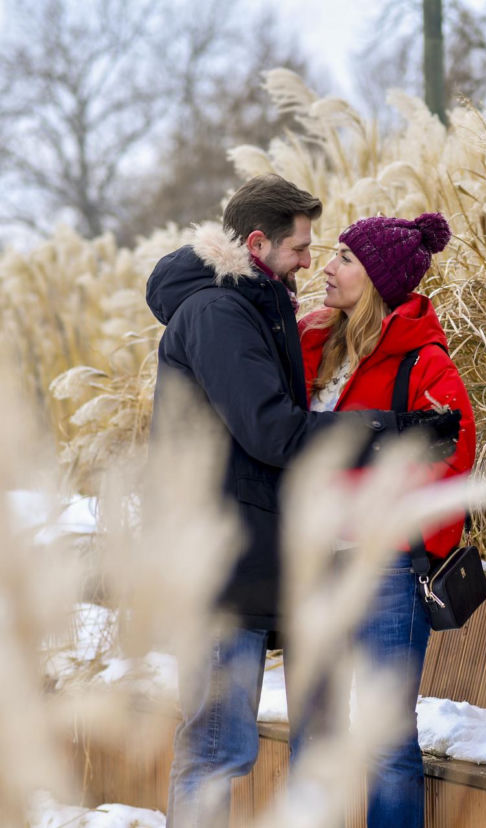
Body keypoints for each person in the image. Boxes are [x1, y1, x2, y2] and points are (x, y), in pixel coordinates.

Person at [145, 175, 461, 827]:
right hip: (235, 567)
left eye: (337, 253)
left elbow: (452, 462)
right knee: (229, 748)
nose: (314, 260)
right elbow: (275, 432)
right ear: (258, 244)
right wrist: (390, 432)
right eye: (305, 247)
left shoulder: (284, 319)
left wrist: (415, 544)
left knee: (359, 740)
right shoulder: (245, 320)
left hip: (323, 569)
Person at [296, 212, 476, 827]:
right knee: (312, 733)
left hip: (386, 572)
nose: (327, 265)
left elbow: (451, 464)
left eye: (344, 257)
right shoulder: (314, 345)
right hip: (313, 565)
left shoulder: (425, 364)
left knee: (386, 740)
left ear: (375, 279)